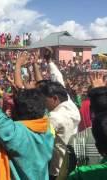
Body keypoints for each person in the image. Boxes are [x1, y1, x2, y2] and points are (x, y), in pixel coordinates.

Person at [38, 49, 81, 179]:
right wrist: (49, 61)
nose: (43, 103)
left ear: (55, 98)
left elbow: (39, 139)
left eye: (45, 100)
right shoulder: (69, 103)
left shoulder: (54, 117)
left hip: (57, 169)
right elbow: (58, 79)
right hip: (73, 163)